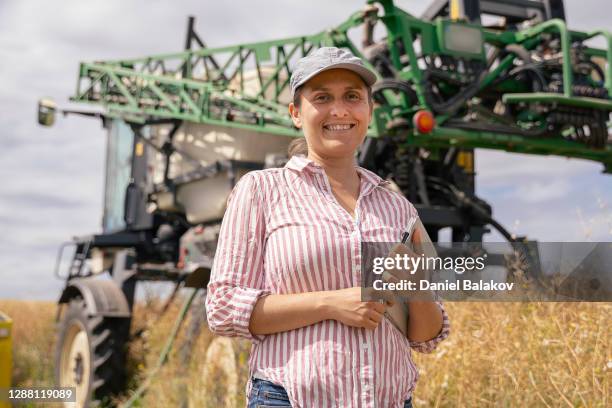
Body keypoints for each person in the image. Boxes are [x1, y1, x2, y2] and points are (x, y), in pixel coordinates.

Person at [205, 46, 450, 408]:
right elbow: (223, 308)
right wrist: (331, 303)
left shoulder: (397, 207)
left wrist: (418, 287)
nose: (339, 110)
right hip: (289, 398)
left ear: (369, 111)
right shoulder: (261, 190)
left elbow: (426, 336)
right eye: (322, 98)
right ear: (295, 113)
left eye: (352, 97)